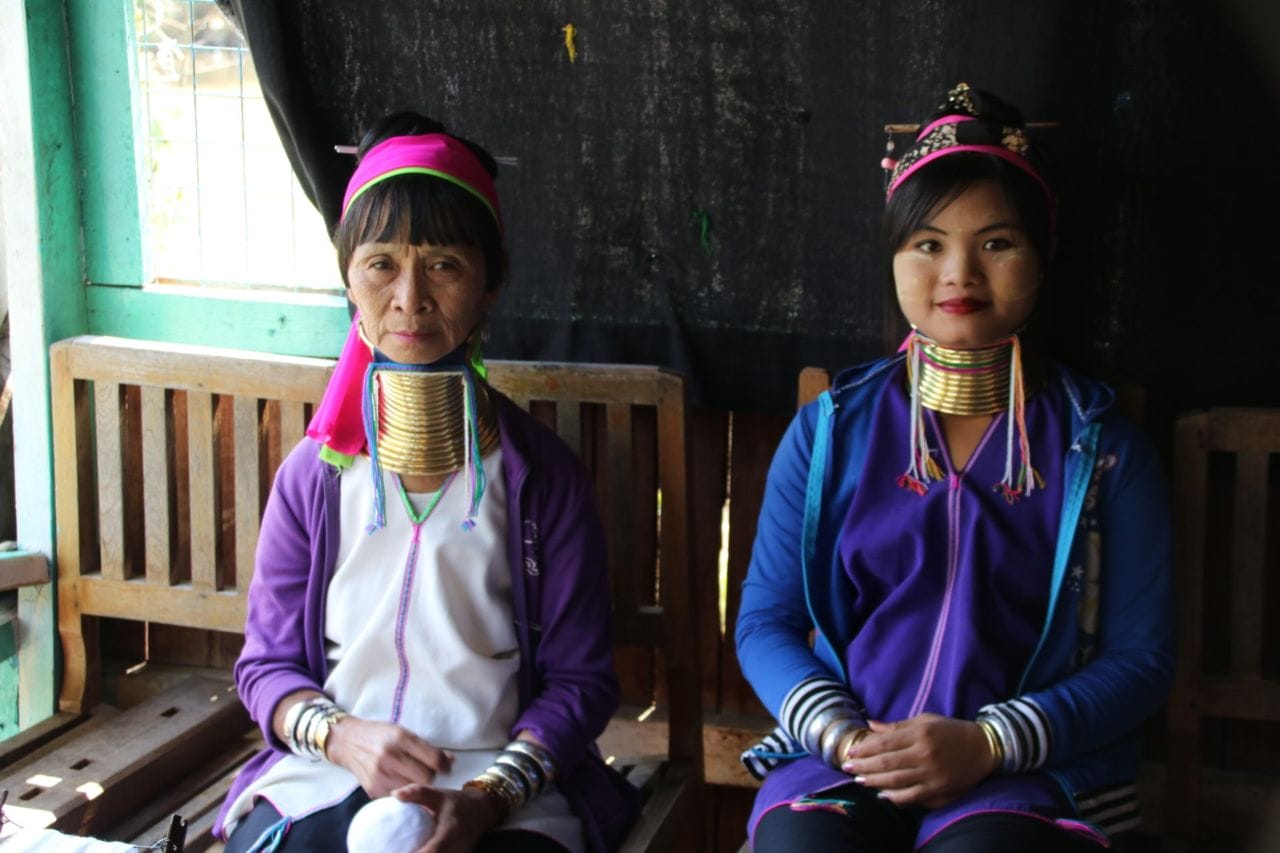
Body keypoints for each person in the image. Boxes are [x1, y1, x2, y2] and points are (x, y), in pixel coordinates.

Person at [735, 83, 1174, 852]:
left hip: (1027, 772)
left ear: (1042, 257)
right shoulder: (830, 433)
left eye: (997, 242)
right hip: (848, 757)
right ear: (895, 258)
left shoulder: (1103, 451)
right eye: (928, 243)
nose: (959, 273)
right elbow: (765, 621)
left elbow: (1141, 659)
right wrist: (842, 737)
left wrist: (992, 742)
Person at [214, 112, 638, 852]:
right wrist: (341, 735)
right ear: (348, 276)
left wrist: (484, 797)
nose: (409, 297)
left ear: (491, 280)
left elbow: (581, 681)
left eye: (443, 263)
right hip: (330, 769)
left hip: (501, 781)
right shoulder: (314, 477)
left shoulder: (541, 481)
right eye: (381, 263)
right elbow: (267, 665)